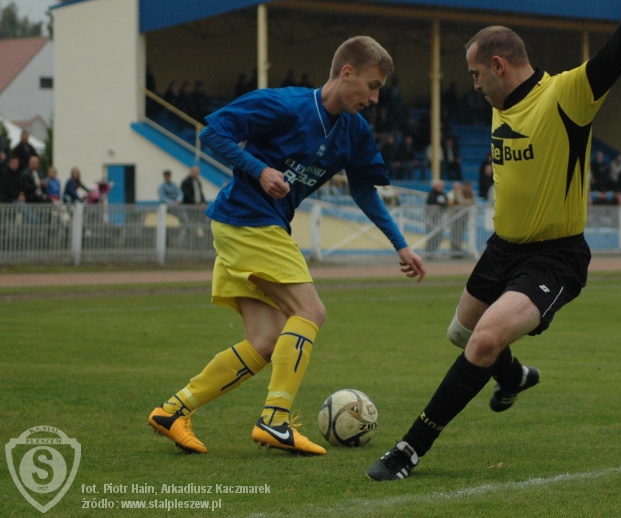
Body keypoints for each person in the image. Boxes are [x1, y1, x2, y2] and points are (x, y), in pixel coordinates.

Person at [366, 0, 621, 481]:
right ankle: (515, 375)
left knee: (483, 341)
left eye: (476, 74)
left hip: (554, 256)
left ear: (498, 65)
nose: (474, 86)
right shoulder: (502, 103)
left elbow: (617, 53)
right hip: (502, 248)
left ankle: (409, 449)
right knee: (461, 332)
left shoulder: (566, 95)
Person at [148, 35, 426, 456]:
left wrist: (400, 245)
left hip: (250, 225)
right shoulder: (283, 104)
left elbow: (364, 191)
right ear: (346, 72)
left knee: (265, 340)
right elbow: (214, 132)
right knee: (310, 312)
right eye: (372, 86)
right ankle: (275, 420)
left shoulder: (355, 131)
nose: (374, 99)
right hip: (249, 220)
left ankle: (172, 411)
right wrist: (259, 170)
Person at [424, 178, 449, 254]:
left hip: (440, 218)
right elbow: (433, 202)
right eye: (440, 186)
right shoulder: (432, 194)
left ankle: (432, 251)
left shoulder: (443, 194)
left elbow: (446, 202)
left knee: (440, 236)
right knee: (431, 235)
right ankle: (429, 251)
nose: (442, 187)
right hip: (431, 218)